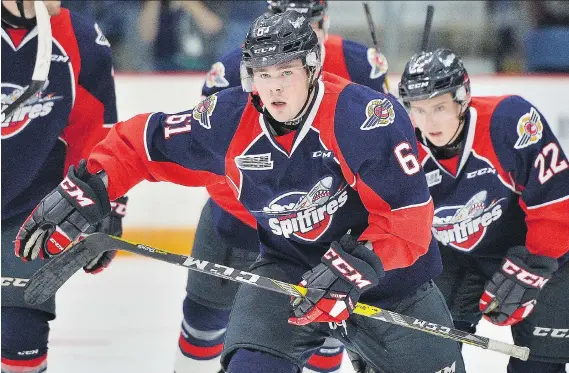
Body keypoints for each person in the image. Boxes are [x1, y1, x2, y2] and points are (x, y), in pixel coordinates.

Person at [15, 11, 465, 373]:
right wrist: (90, 183)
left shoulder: (364, 118)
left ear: (311, 68)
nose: (273, 86)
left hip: (391, 284)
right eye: (262, 73)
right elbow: (146, 144)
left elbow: (409, 217)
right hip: (290, 275)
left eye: (285, 71)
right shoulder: (228, 121)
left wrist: (364, 261)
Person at [179, 1, 390, 372]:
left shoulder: (359, 65)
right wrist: (274, 213)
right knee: (203, 320)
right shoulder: (234, 67)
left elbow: (385, 160)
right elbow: (210, 157)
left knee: (324, 336)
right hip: (239, 225)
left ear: (324, 21)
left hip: (326, 236)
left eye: (308, 25)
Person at [398, 48, 569, 373]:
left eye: (439, 107)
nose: (428, 122)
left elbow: (557, 199)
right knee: (432, 357)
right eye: (418, 110)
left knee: (541, 366)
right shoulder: (402, 145)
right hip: (454, 257)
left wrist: (535, 264)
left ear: (462, 100)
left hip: (536, 251)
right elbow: (390, 220)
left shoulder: (509, 122)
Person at [1, 1, 127, 372]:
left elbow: (96, 136)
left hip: (29, 215)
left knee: (20, 338)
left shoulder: (84, 40)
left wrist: (105, 206)